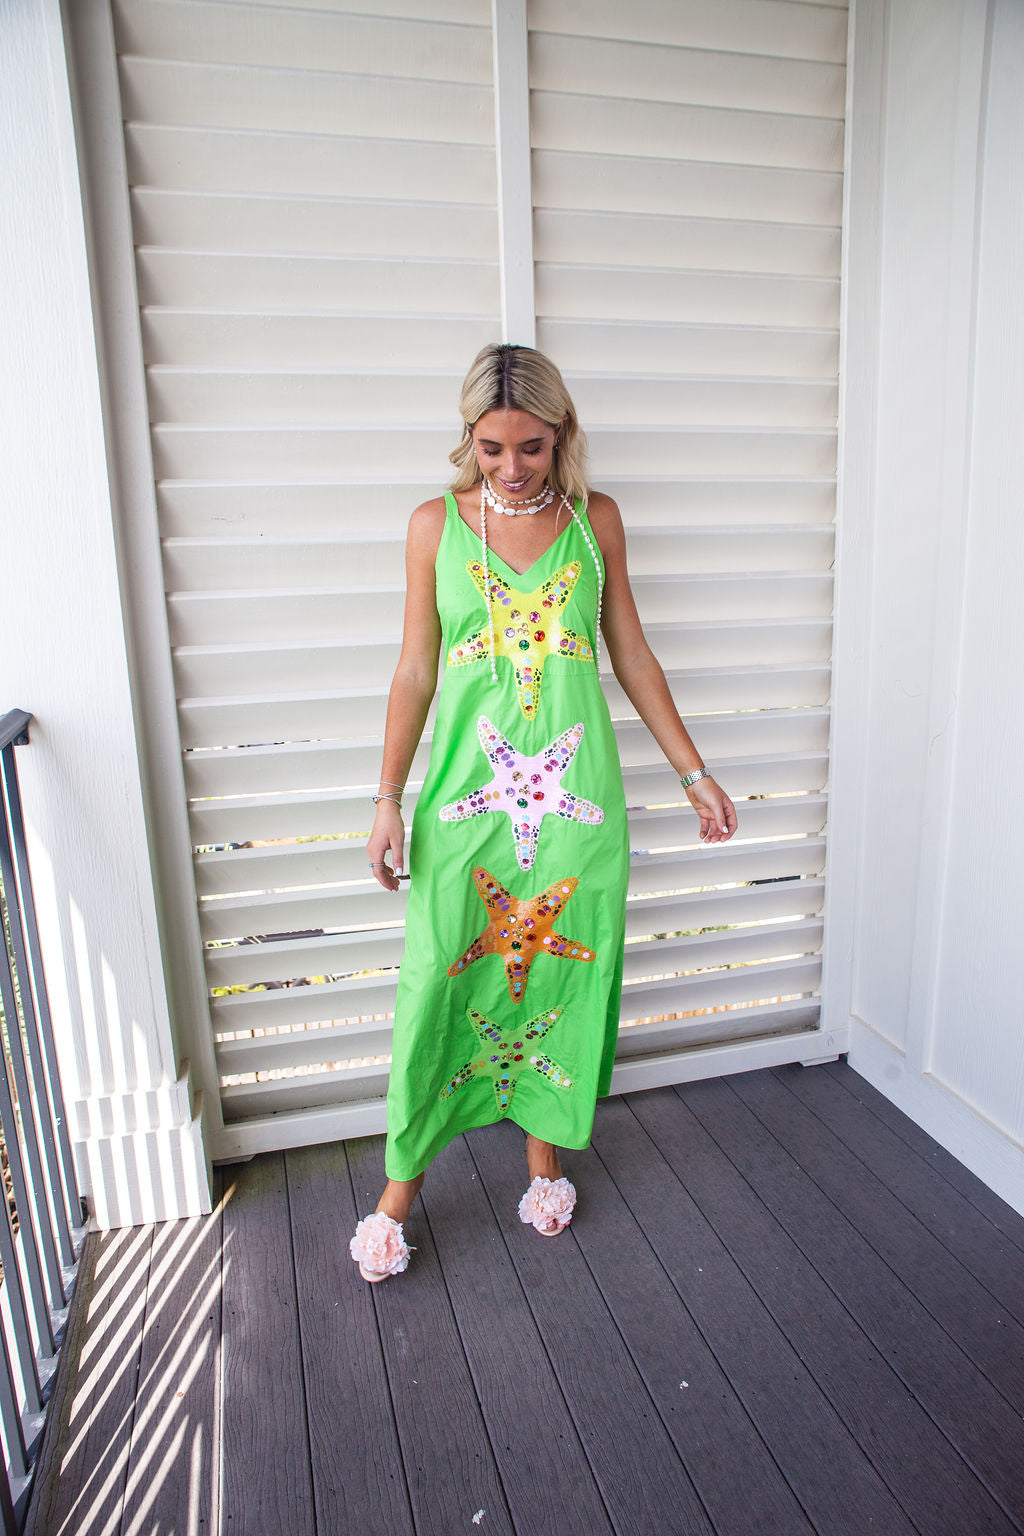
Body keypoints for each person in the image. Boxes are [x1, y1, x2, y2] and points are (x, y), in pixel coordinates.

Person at [349, 343, 737, 1282]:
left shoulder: (594, 522)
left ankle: (544, 1156)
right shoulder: (434, 527)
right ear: (468, 439)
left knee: (556, 976)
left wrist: (693, 772)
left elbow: (630, 651)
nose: (512, 466)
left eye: (531, 446)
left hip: (577, 808)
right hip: (465, 805)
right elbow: (415, 670)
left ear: (561, 434)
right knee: (439, 981)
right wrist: (387, 799)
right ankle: (401, 1186)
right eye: (492, 448)